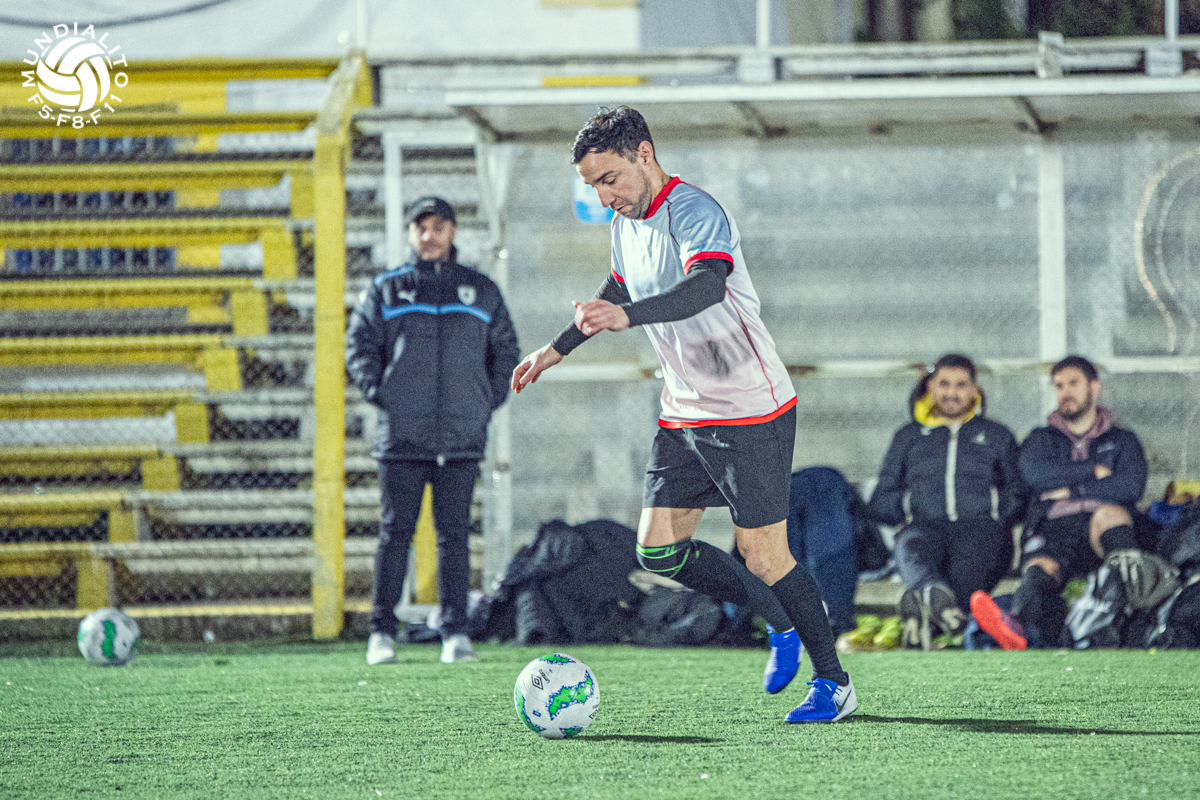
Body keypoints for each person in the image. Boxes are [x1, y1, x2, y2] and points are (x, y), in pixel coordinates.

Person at [511, 106, 855, 724]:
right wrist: (555, 348)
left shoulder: (695, 210)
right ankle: (775, 619)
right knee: (658, 552)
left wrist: (626, 317)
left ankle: (833, 681)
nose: (604, 196)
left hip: (751, 410)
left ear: (643, 154)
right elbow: (619, 288)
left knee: (764, 554)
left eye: (609, 178)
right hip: (684, 411)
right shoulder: (625, 223)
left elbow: (707, 285)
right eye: (593, 185)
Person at [346, 196, 520, 666]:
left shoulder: (481, 290)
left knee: (454, 537)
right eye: (421, 227)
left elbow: (506, 350)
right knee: (394, 533)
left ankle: (455, 633)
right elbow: (359, 346)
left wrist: (485, 401)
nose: (429, 236)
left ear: (453, 232)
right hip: (401, 438)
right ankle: (381, 632)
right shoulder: (386, 289)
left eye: (439, 226)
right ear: (409, 233)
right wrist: (382, 393)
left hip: (462, 439)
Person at [971, 355, 1167, 649]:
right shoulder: (1040, 439)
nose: (1065, 392)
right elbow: (1034, 475)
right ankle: (1016, 626)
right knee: (1040, 569)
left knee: (1111, 517)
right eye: (1059, 386)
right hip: (1055, 525)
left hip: (1104, 527)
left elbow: (1130, 486)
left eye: (1073, 383)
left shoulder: (1123, 439)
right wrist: (1094, 472)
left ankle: (1133, 623)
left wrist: (1070, 491)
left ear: (1094, 388)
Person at [870, 354, 1025, 650]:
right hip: (924, 527)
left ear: (974, 390)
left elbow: (1017, 491)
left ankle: (928, 618)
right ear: (931, 387)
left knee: (977, 551)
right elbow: (883, 496)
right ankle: (947, 613)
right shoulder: (908, 437)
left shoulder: (996, 435)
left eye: (961, 385)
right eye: (944, 384)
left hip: (980, 529)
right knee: (910, 546)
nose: (952, 393)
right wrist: (908, 510)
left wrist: (995, 512)